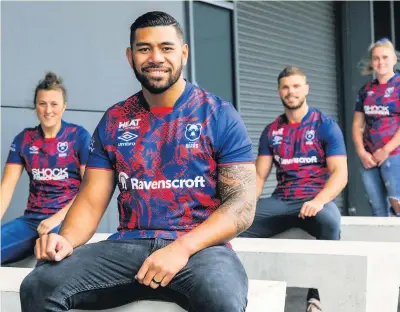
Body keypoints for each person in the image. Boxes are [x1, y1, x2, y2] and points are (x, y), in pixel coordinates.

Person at [20, 11, 256, 312]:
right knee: (38, 285)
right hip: (129, 245)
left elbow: (242, 207)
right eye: (145, 49)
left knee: (221, 299)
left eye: (166, 48)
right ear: (130, 57)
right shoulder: (114, 120)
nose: (155, 57)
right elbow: (91, 201)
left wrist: (181, 248)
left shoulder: (219, 114)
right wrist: (66, 239)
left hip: (202, 249)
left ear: (184, 53)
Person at [240, 66, 348, 312]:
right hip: (283, 199)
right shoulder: (272, 131)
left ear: (306, 89)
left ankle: (317, 298)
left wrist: (320, 201)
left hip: (315, 198)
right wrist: (244, 206)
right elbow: (259, 175)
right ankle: (248, 294)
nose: (291, 91)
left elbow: (340, 174)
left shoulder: (325, 126)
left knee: (331, 224)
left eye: (296, 86)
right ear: (279, 91)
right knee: (236, 226)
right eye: (286, 87)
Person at [1, 72, 91, 264]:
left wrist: (56, 219)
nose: (48, 110)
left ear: (64, 107)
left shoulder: (79, 136)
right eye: (42, 103)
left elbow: (89, 189)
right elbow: (6, 189)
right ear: (36, 106)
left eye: (54, 104)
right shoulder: (23, 139)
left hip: (65, 220)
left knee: (50, 260)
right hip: (31, 220)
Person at [352, 38, 400, 287]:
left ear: (394, 59)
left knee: (399, 207)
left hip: (395, 154)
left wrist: (386, 149)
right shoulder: (366, 90)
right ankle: (385, 264)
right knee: (377, 210)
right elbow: (357, 125)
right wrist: (361, 152)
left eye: (385, 57)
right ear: (372, 61)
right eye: (376, 58)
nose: (380, 62)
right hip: (369, 158)